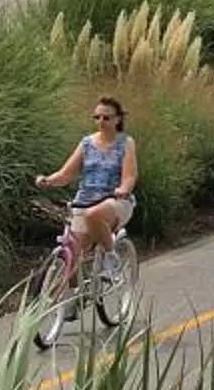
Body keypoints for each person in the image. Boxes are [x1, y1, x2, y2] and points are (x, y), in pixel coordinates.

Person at [35, 96, 138, 268]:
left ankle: (110, 257)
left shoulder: (125, 143)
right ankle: (71, 292)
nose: (101, 121)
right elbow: (66, 174)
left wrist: (124, 189)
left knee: (93, 215)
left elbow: (129, 175)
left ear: (117, 119)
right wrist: (48, 180)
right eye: (97, 117)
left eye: (106, 117)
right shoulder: (87, 143)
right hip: (84, 201)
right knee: (73, 259)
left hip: (115, 201)